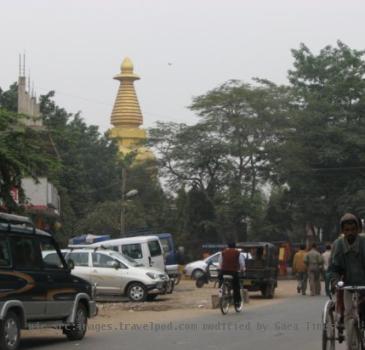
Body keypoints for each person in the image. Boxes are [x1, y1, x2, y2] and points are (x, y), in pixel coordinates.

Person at [328, 213, 365, 350]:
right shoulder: (338, 245)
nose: (350, 233)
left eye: (353, 229)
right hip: (348, 286)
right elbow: (334, 268)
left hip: (364, 285)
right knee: (348, 314)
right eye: (346, 230)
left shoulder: (363, 243)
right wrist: (336, 281)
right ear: (342, 231)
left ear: (358, 230)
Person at [218, 242, 246, 308]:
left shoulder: (223, 252)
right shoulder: (238, 253)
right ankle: (237, 302)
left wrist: (221, 268)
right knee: (236, 286)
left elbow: (220, 263)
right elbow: (241, 263)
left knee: (220, 280)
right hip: (233, 272)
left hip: (223, 271)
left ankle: (221, 289)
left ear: (228, 246)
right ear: (235, 247)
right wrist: (243, 269)